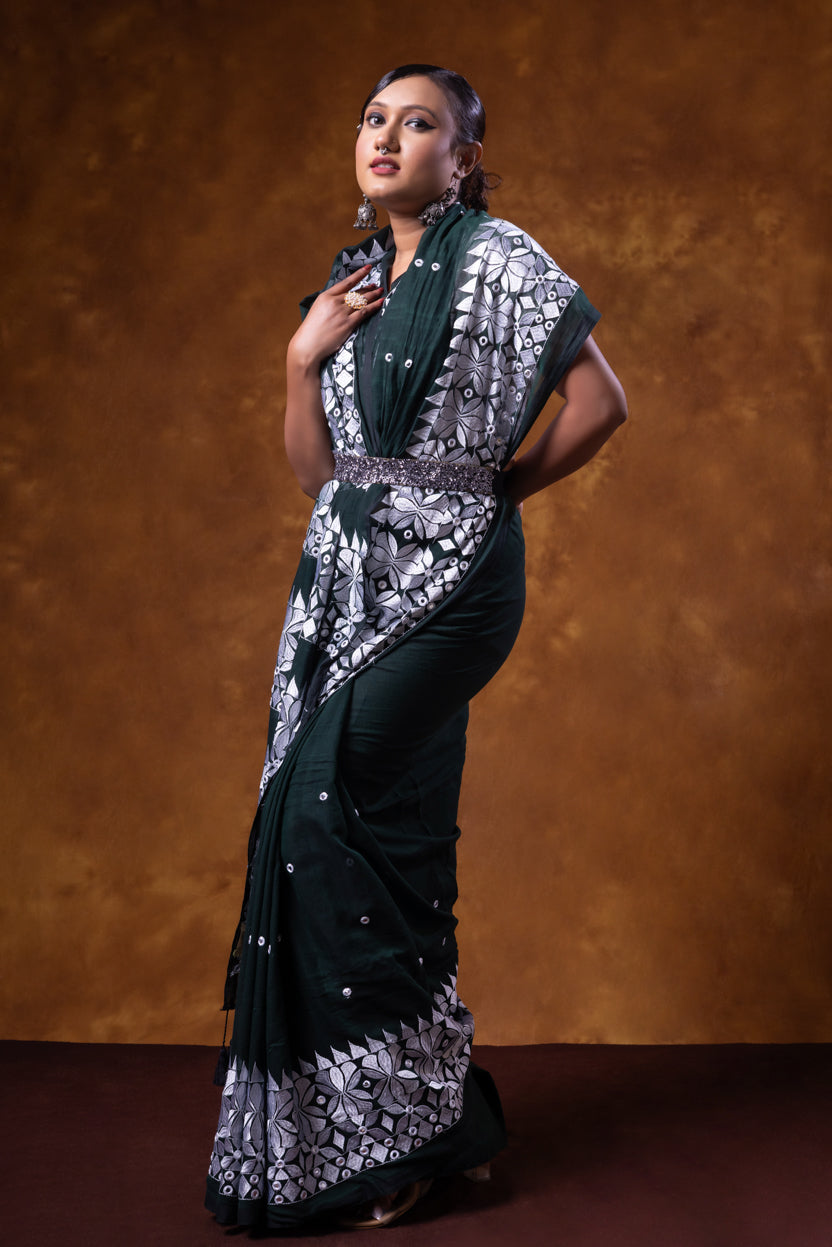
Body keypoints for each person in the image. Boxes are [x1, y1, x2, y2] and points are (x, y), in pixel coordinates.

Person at [205, 64, 626, 1231]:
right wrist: (301, 358)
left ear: (466, 156)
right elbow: (315, 473)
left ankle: (408, 1130)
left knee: (325, 809)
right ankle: (415, 1126)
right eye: (374, 119)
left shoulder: (497, 261)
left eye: (419, 121)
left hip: (450, 582)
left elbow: (601, 402)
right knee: (358, 827)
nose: (388, 137)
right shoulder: (350, 286)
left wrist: (491, 493)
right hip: (343, 582)